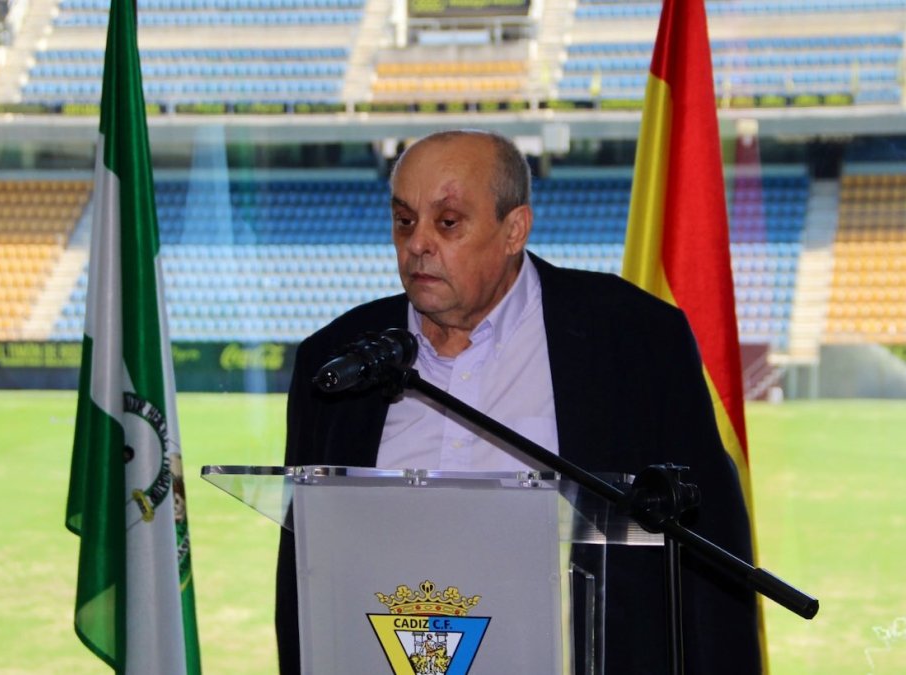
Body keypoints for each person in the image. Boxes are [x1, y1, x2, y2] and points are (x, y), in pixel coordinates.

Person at [275, 129, 760, 672]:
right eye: (404, 220)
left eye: (448, 222)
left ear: (514, 230)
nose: (417, 244)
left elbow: (712, 557)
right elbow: (304, 574)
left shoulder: (634, 339)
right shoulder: (338, 360)